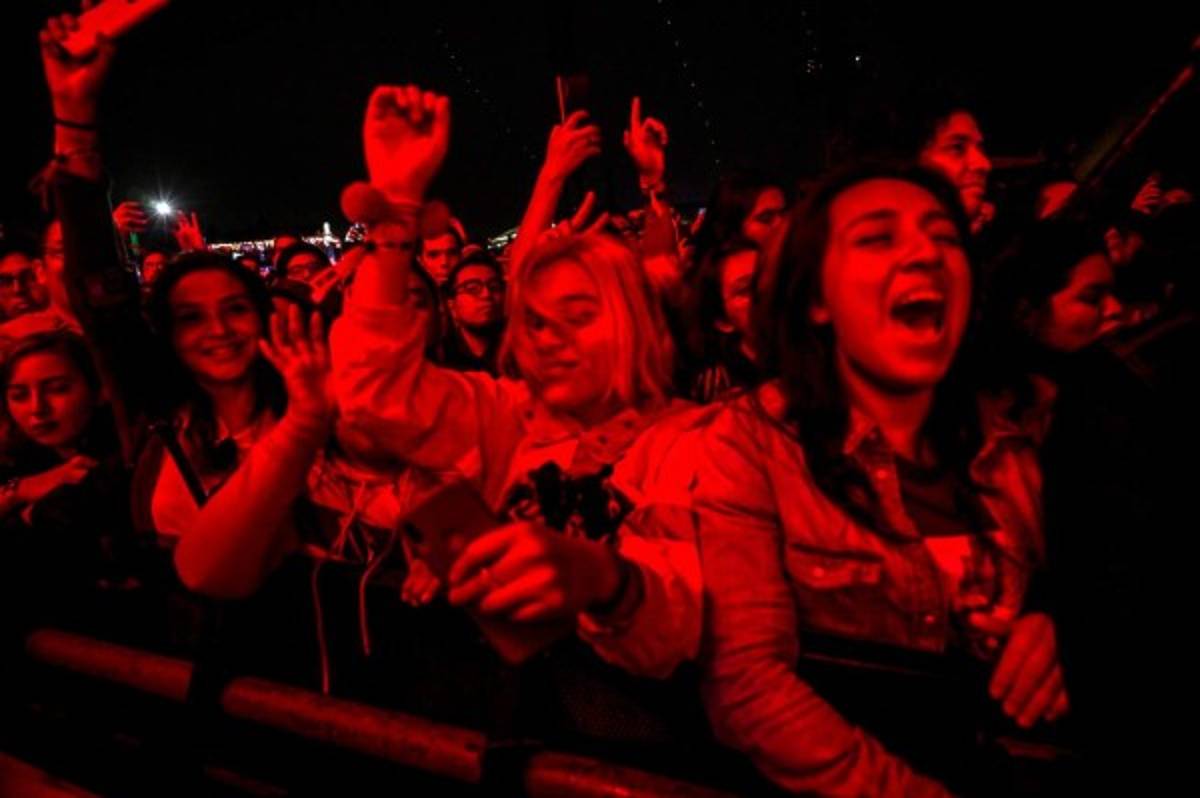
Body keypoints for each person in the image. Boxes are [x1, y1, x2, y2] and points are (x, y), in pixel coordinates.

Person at [691, 164, 1062, 796]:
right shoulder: (752, 446)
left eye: (944, 237)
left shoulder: (1031, 425)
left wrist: (1066, 617)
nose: (923, 253)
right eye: (877, 238)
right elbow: (748, 681)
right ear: (816, 300)